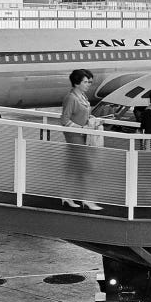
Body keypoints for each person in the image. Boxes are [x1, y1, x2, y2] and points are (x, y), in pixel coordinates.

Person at [60, 69, 102, 210]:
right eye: (85, 82)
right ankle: (88, 199)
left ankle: (66, 196)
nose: (88, 84)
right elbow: (64, 119)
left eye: (89, 81)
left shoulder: (82, 96)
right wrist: (81, 128)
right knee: (88, 168)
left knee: (73, 168)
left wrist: (91, 120)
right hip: (74, 136)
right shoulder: (71, 98)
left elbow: (83, 114)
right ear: (77, 83)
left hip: (82, 135)